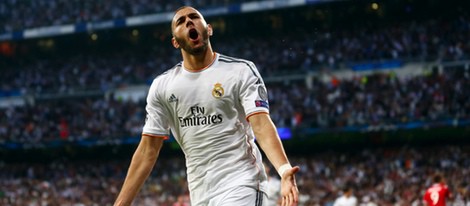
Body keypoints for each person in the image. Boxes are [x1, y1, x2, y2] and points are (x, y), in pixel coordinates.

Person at [114, 6, 300, 206]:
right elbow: (147, 150)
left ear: (209, 29)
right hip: (200, 194)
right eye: (181, 21)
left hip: (242, 183)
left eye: (194, 17)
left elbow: (261, 124)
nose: (188, 22)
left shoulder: (240, 71)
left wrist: (283, 169)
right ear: (175, 42)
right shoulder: (163, 87)